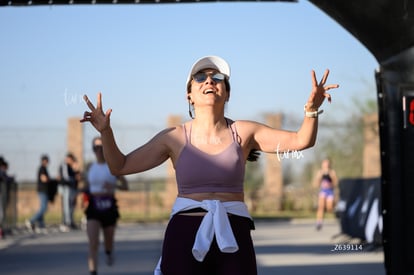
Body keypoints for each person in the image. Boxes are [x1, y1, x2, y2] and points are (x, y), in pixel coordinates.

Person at [81, 55, 339, 275]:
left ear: (226, 92)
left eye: (217, 78)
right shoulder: (175, 136)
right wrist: (106, 132)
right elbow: (121, 166)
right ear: (189, 95)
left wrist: (311, 110)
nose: (209, 82)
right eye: (200, 78)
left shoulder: (244, 131)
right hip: (185, 234)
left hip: (233, 234)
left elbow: (301, 140)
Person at [83, 136, 128, 275]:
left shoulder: (112, 166)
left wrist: (113, 185)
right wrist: (79, 197)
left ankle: (108, 252)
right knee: (93, 242)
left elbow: (125, 186)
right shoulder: (90, 167)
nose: (98, 150)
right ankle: (93, 271)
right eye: (95, 148)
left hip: (109, 206)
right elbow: (85, 186)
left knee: (108, 240)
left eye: (101, 147)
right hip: (94, 205)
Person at [26, 154, 51, 233]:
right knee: (44, 208)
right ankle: (31, 220)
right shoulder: (42, 168)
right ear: (44, 161)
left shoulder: (43, 168)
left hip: (43, 190)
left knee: (42, 208)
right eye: (46, 160)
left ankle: (41, 224)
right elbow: (43, 179)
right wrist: (50, 180)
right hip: (42, 190)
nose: (47, 162)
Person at [313, 158, 338, 231]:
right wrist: (319, 177)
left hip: (330, 192)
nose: (326, 165)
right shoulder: (320, 172)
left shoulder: (332, 172)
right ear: (322, 164)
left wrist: (332, 181)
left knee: (329, 208)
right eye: (324, 163)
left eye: (327, 163)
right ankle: (319, 223)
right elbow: (316, 184)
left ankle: (335, 210)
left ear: (329, 164)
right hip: (323, 191)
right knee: (321, 207)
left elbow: (336, 183)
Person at [58, 152, 81, 232]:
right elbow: (66, 177)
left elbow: (76, 176)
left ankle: (70, 222)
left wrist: (75, 171)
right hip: (66, 187)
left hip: (71, 188)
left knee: (71, 206)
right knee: (66, 206)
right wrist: (74, 176)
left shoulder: (70, 167)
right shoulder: (64, 165)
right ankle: (67, 223)